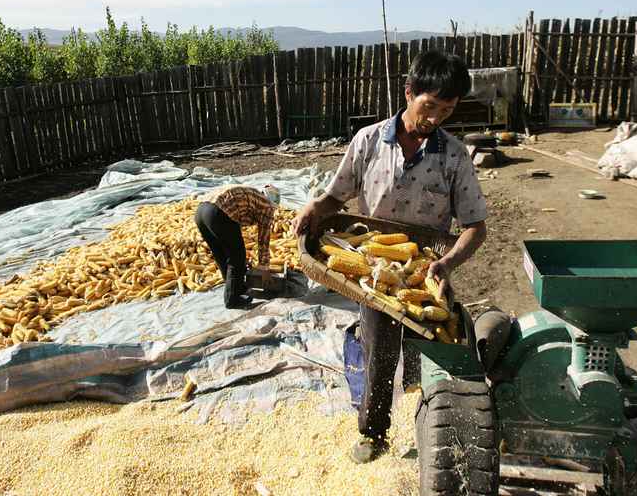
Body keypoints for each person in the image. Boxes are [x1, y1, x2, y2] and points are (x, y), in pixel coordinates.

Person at [292, 50, 488, 463]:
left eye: (447, 110)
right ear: (409, 93)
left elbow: (475, 226)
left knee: (433, 349)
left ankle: (429, 421)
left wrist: (446, 263)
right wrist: (315, 207)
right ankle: (374, 432)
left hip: (424, 267)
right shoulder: (369, 140)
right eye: (429, 106)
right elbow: (336, 196)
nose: (436, 117)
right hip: (374, 265)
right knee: (381, 349)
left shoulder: (453, 156)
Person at [195, 184, 281, 308]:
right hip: (218, 213)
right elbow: (263, 239)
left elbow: (233, 226)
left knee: (222, 254)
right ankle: (232, 300)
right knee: (237, 257)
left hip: (201, 212)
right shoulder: (266, 205)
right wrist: (264, 267)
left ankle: (236, 288)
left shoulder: (251, 194)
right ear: (272, 201)